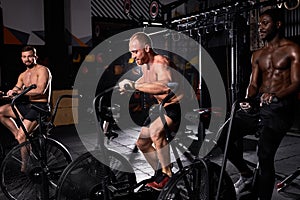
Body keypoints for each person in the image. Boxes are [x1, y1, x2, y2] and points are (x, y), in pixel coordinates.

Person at [216, 8, 300, 200]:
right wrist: (247, 100)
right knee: (222, 137)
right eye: (259, 24)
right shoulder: (257, 54)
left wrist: (275, 94)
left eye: (265, 23)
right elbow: (253, 84)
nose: (260, 28)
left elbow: (296, 83)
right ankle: (246, 175)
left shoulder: (292, 49)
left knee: (264, 157)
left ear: (277, 24)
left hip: (279, 109)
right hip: (258, 105)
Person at [118, 32, 183, 191]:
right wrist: (130, 85)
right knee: (142, 142)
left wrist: (133, 86)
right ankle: (160, 172)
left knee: (155, 134)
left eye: (135, 52)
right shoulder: (145, 65)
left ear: (146, 48)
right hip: (162, 108)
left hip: (178, 107)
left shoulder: (161, 62)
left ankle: (167, 176)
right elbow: (146, 81)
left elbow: (165, 87)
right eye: (131, 53)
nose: (133, 57)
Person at [0, 46, 52, 145]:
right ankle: (19, 137)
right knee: (1, 111)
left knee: (22, 137)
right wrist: (4, 96)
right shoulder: (23, 75)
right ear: (21, 58)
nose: (27, 59)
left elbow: (40, 90)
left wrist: (18, 92)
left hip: (40, 107)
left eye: (29, 56)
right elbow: (14, 92)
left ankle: (22, 142)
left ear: (35, 57)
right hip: (28, 106)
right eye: (24, 57)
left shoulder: (43, 70)